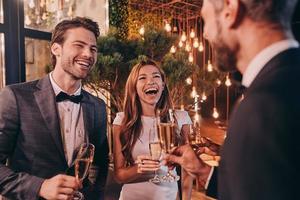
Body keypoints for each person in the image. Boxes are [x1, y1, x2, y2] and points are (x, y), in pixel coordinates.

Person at [166, 0, 300, 199]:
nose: (205, 33)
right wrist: (205, 172)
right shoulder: (288, 80)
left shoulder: (261, 108)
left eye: (206, 19)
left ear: (231, 9)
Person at [0, 17, 109, 200]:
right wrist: (40, 187)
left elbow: (100, 163)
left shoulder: (97, 106)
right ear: (56, 49)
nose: (88, 54)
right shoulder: (15, 97)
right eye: (79, 45)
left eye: (93, 49)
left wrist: (93, 195)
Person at [112, 59, 193, 200]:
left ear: (162, 85)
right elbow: (119, 176)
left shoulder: (181, 118)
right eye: (142, 78)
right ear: (134, 88)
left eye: (156, 76)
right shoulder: (122, 120)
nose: (150, 81)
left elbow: (188, 171)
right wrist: (139, 168)